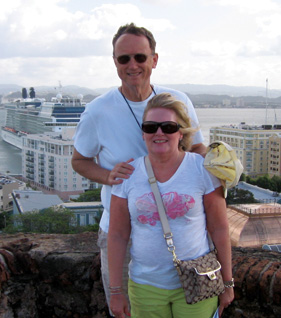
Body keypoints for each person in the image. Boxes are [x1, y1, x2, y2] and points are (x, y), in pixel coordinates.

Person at [72, 23, 207, 314]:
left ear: (154, 60)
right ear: (115, 63)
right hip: (122, 230)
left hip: (182, 229)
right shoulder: (98, 110)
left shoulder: (178, 101)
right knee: (125, 311)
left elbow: (197, 150)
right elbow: (79, 160)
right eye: (124, 59)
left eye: (140, 57)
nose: (132, 65)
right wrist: (107, 176)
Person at [108, 93, 234, 318]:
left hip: (199, 280)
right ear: (143, 132)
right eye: (150, 127)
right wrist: (115, 291)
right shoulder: (128, 175)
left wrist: (227, 283)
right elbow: (117, 235)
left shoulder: (202, 170)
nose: (159, 133)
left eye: (168, 126)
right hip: (145, 285)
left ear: (181, 132)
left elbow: (219, 229)